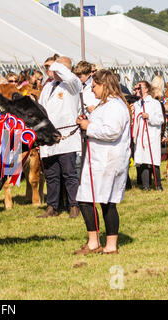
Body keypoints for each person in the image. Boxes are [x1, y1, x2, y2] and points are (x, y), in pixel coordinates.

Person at [74, 69, 131, 255]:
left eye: (94, 86)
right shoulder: (103, 105)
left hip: (109, 160)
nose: (92, 90)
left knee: (107, 202)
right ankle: (93, 242)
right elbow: (99, 124)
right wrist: (86, 121)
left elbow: (112, 131)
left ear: (104, 85)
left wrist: (89, 126)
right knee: (85, 199)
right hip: (97, 160)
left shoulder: (116, 106)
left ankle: (111, 245)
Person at [37, 57, 81, 219]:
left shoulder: (73, 84)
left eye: (55, 68)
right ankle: (52, 206)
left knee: (69, 173)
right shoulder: (48, 86)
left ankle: (74, 205)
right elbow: (41, 107)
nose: (51, 70)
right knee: (51, 173)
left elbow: (68, 75)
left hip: (66, 136)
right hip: (48, 135)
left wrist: (55, 64)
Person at [132, 81, 164, 191]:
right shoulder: (136, 104)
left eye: (138, 88)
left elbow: (160, 119)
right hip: (140, 136)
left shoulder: (155, 103)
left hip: (152, 136)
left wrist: (149, 117)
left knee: (153, 161)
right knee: (143, 161)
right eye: (135, 88)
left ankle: (158, 185)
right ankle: (146, 186)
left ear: (145, 89)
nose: (136, 90)